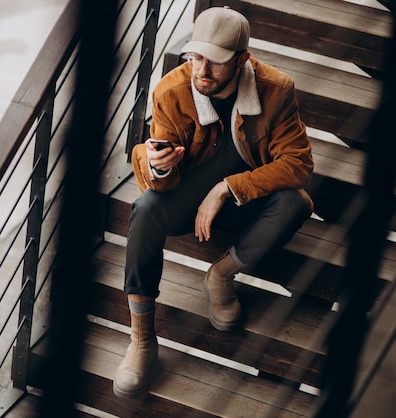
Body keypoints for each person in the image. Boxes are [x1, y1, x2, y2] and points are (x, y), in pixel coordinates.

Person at [112, 6, 314, 399]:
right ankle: (141, 340)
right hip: (185, 201)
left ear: (243, 59)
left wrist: (226, 188)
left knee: (297, 202)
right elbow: (158, 184)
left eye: (216, 62)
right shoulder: (172, 89)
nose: (202, 71)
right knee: (146, 209)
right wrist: (158, 167)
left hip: (244, 203)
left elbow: (298, 164)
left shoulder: (276, 90)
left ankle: (220, 275)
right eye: (196, 57)